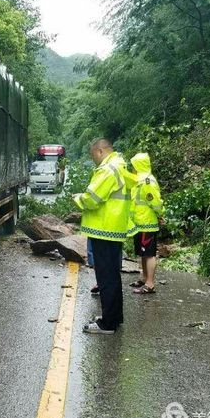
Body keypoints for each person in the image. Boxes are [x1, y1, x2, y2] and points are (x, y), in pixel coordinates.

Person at [73, 138, 134, 334]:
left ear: (100, 151)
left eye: (93, 156)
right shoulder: (120, 166)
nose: (94, 160)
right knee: (112, 276)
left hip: (104, 229)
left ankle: (107, 324)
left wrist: (78, 198)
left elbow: (92, 198)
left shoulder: (108, 170)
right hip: (113, 229)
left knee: (106, 277)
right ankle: (114, 317)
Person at [127, 153, 165, 295]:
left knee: (149, 254)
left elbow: (155, 202)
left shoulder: (147, 181)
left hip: (147, 223)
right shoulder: (140, 180)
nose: (133, 168)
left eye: (134, 165)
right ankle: (144, 279)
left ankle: (150, 284)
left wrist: (160, 214)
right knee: (143, 253)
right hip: (139, 222)